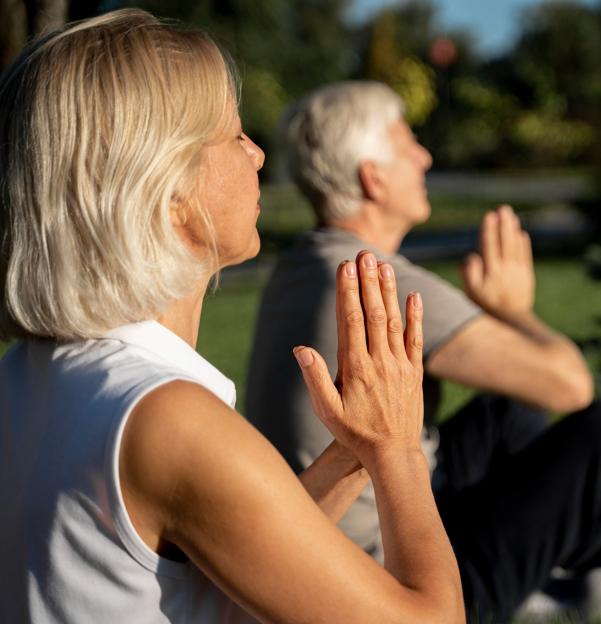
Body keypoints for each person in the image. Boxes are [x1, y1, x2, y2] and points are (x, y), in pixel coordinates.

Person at [0, 13, 465, 624]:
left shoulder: (28, 377)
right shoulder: (166, 417)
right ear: (167, 190)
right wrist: (399, 449)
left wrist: (352, 453)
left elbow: (227, 578)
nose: (258, 153)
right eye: (233, 135)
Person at [245, 81, 601, 622]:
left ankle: (568, 568)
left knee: (507, 416)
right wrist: (513, 309)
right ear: (372, 177)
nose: (425, 156)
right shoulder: (375, 278)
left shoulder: (302, 265)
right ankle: (576, 578)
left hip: (333, 538)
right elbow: (570, 385)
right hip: (388, 576)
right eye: (408, 143)